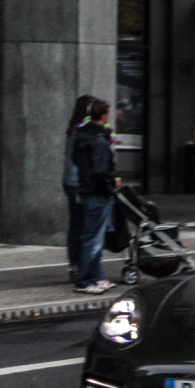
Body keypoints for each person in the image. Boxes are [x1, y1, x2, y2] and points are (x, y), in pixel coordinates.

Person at [72, 98, 120, 295]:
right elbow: (101, 171)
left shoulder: (81, 136)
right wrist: (111, 184)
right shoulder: (99, 141)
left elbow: (77, 161)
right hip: (98, 193)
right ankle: (85, 280)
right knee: (93, 239)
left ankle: (96, 276)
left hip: (86, 190)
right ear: (104, 116)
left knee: (92, 237)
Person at [64, 94, 95, 284]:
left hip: (74, 182)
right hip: (77, 183)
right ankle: (77, 265)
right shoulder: (80, 130)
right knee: (79, 225)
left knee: (78, 224)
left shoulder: (74, 129)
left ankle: (77, 265)